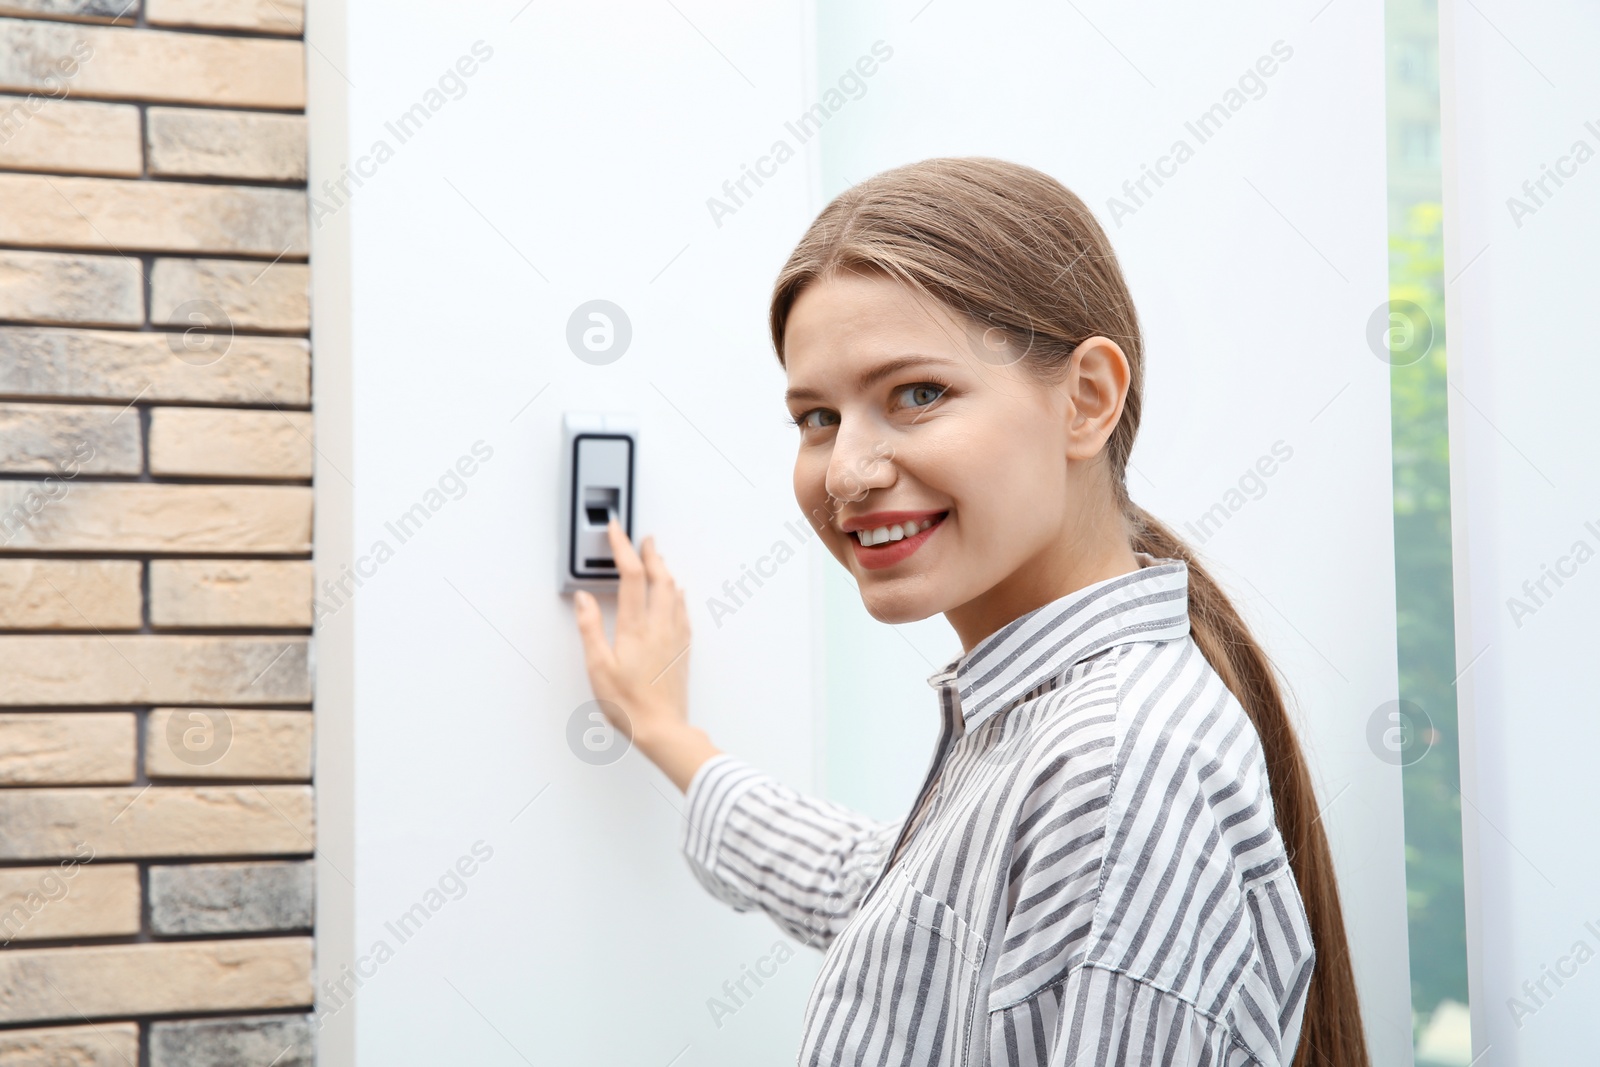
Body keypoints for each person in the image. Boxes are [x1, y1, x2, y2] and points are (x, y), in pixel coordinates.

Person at [572, 156, 1369, 1066]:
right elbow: (889, 899)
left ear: (1087, 399)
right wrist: (664, 729)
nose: (847, 474)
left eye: (917, 394)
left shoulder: (1116, 764)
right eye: (818, 417)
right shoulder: (1045, 727)